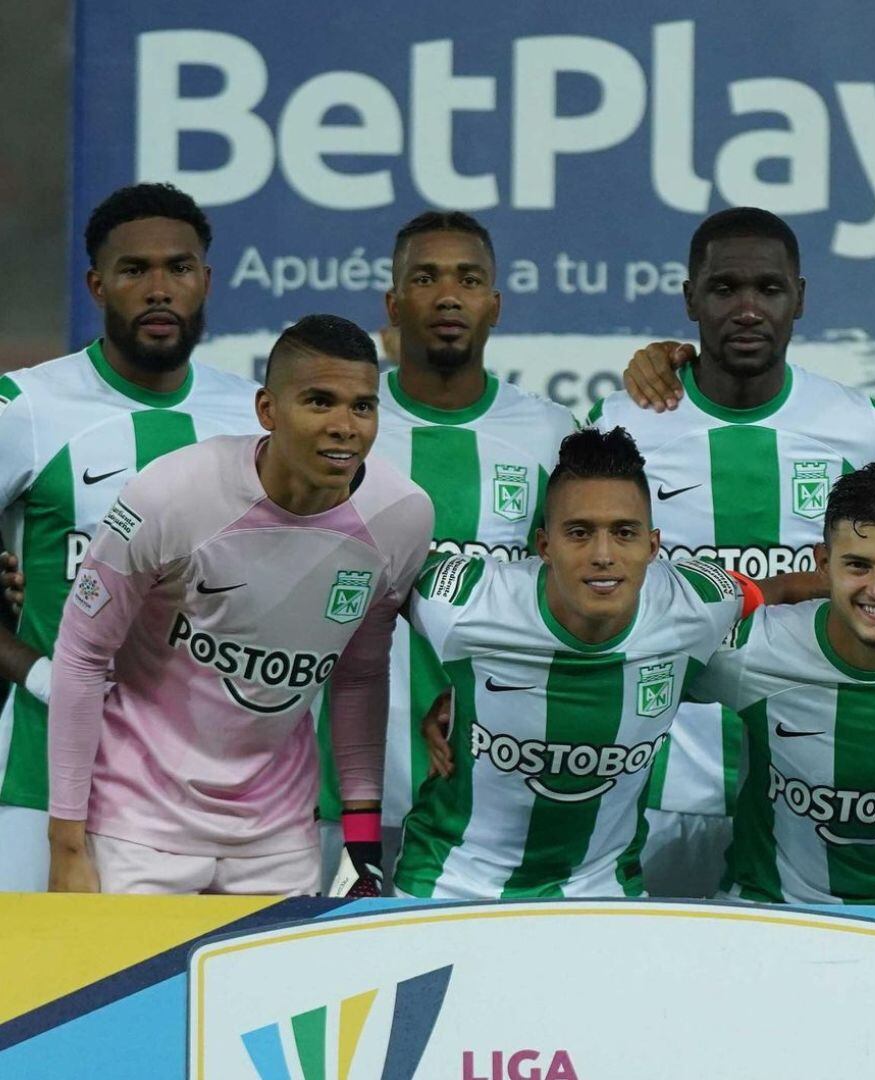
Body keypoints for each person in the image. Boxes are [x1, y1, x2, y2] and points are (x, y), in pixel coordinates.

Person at [44, 315, 434, 895]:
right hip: (139, 826)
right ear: (267, 410)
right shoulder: (170, 495)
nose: (344, 427)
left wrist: (361, 843)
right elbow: (80, 656)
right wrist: (67, 845)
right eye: (319, 401)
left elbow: (359, 677)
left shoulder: (401, 516)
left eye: (362, 407)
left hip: (278, 836)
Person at [593, 207, 875, 897]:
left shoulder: (865, 434)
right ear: (689, 298)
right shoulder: (622, 429)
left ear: (799, 297)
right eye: (724, 289)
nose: (747, 309)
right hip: (655, 792)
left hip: (805, 801)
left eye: (767, 290)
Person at [398, 428, 793, 897]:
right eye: (579, 533)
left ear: (653, 545)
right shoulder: (461, 601)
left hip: (602, 892)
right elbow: (361, 583)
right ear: (544, 546)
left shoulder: (699, 602)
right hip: (450, 884)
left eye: (624, 533)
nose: (603, 556)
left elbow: (781, 592)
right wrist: (456, 695)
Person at [0, 183, 261, 892]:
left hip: (215, 794)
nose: (157, 289)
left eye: (178, 268)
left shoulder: (251, 418)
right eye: (132, 270)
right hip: (42, 776)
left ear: (204, 280)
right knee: (31, 996)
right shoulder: (28, 407)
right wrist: (33, 670)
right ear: (96, 285)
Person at [314, 210, 577, 882]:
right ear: (394, 303)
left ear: (495, 303)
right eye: (426, 278)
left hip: (488, 799)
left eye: (468, 278)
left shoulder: (550, 434)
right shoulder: (342, 429)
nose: (449, 295)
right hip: (334, 788)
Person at [689, 465, 875, 904]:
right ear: (823, 564)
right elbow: (640, 652)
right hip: (769, 908)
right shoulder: (758, 646)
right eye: (857, 566)